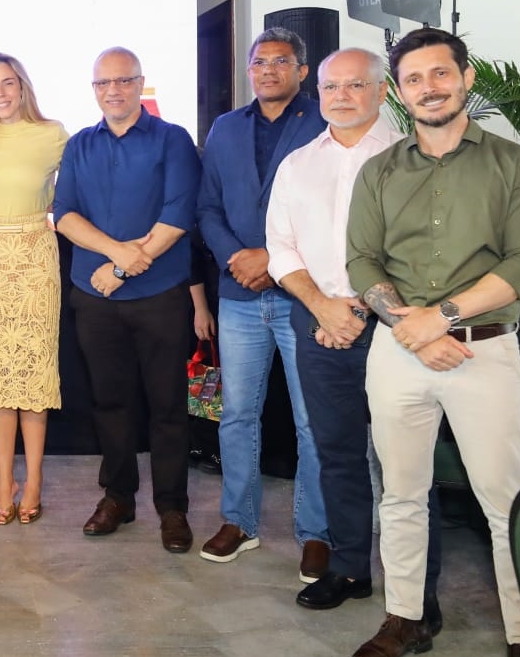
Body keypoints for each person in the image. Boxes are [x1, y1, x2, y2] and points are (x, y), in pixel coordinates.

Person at [346, 28, 520, 657]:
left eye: (440, 74)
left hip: (484, 351)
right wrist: (411, 327)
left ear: (464, 79)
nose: (428, 88)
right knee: (402, 492)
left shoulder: (513, 165)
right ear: (400, 94)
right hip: (398, 351)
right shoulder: (378, 170)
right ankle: (405, 618)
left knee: (506, 500)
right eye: (414, 78)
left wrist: (442, 316)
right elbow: (361, 261)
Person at [266, 47, 446, 625]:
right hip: (318, 324)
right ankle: (349, 569)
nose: (340, 96)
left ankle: (419, 592)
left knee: (407, 464)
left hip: (396, 329)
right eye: (329, 86)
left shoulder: (412, 156)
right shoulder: (296, 164)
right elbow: (280, 250)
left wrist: (365, 313)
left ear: (381, 89)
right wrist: (323, 307)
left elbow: (423, 250)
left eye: (354, 85)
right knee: (337, 454)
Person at [53, 47, 200, 551]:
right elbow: (65, 215)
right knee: (109, 402)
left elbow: (179, 213)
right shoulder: (78, 145)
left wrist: (122, 267)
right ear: (94, 90)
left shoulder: (173, 139)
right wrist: (116, 254)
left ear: (141, 84)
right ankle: (118, 497)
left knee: (166, 406)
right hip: (95, 299)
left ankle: (172, 508)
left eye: (123, 81)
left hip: (158, 294)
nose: (113, 91)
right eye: (102, 83)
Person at [195, 28, 329, 579]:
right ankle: (240, 522)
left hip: (304, 297)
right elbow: (207, 209)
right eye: (258, 62)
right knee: (237, 416)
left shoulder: (325, 124)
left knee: (311, 420)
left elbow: (331, 217)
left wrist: (269, 260)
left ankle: (316, 533)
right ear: (248, 71)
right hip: (238, 296)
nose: (268, 70)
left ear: (302, 70)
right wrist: (236, 259)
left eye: (280, 62)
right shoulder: (226, 128)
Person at [0, 53, 68, 525]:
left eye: (8, 83)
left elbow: (76, 190)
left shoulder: (53, 135)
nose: (0, 94)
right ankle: (5, 481)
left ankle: (36, 479)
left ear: (23, 87)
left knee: (34, 375)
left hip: (35, 257)